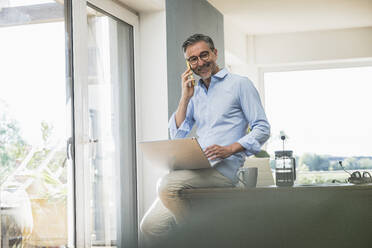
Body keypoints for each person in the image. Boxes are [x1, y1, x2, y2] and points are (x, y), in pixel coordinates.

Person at [140, 33, 270, 245]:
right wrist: (184, 97)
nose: (200, 62)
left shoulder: (240, 84)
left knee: (166, 184)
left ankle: (199, 237)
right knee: (151, 226)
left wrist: (231, 148)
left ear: (215, 53)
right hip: (196, 169)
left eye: (204, 55)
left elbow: (262, 128)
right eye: (193, 59)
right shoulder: (195, 92)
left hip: (223, 171)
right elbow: (178, 134)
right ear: (188, 63)